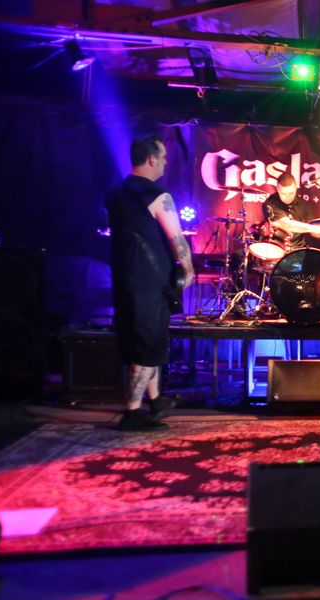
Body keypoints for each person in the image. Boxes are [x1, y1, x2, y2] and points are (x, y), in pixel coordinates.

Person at [105, 134, 194, 431]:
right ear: (152, 159)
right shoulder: (158, 195)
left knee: (144, 340)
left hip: (124, 277)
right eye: (164, 157)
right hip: (150, 280)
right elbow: (176, 238)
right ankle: (132, 413)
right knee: (147, 343)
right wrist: (188, 269)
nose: (166, 163)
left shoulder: (116, 194)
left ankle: (155, 401)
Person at [261, 172, 320, 250]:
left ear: (295, 187)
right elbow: (286, 224)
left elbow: (314, 233)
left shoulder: (304, 204)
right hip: (276, 248)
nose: (288, 197)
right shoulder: (271, 203)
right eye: (284, 193)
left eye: (291, 193)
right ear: (278, 189)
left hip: (298, 250)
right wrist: (315, 228)